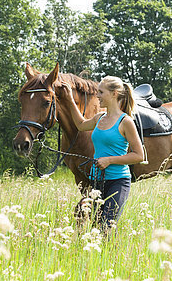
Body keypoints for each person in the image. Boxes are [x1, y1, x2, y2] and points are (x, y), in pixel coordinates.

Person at [62, 76, 144, 232]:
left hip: (118, 181)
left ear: (114, 93)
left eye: (101, 92)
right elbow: (80, 125)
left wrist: (109, 160)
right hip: (97, 180)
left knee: (106, 227)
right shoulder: (100, 118)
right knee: (93, 224)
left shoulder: (125, 122)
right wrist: (70, 100)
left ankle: (112, 255)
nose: (97, 95)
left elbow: (139, 155)